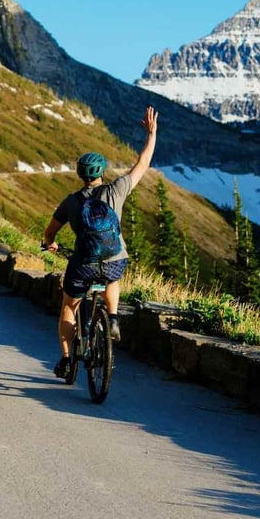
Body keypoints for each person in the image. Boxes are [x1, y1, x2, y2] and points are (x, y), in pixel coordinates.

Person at [42, 106, 158, 379]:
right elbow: (142, 163)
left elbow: (51, 231)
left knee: (69, 306)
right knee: (112, 278)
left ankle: (68, 359)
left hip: (83, 264)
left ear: (80, 174)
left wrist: (50, 244)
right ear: (101, 172)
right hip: (114, 260)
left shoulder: (71, 202)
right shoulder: (116, 190)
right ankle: (113, 318)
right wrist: (151, 134)